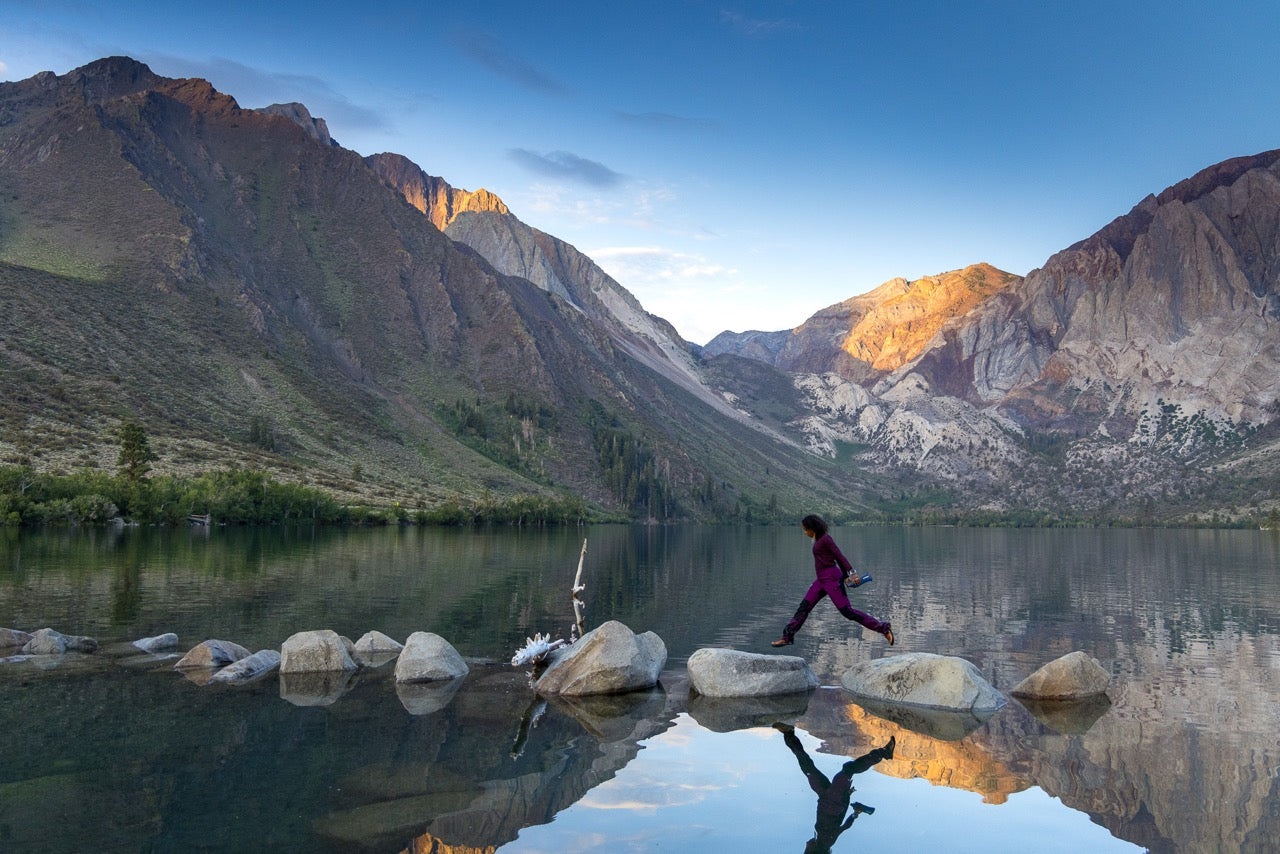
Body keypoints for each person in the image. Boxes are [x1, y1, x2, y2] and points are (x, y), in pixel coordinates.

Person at [771, 514, 894, 647]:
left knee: (847, 612)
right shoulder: (818, 540)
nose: (805, 532)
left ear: (813, 528)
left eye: (806, 529)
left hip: (833, 580)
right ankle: (787, 636)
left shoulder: (825, 539)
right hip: (821, 581)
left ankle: (883, 628)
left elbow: (839, 556)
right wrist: (846, 576)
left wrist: (852, 574)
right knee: (804, 608)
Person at [774, 722, 895, 854]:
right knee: (848, 769)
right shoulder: (825, 842)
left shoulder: (820, 839)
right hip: (833, 799)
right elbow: (843, 826)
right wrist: (848, 802)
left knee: (807, 767)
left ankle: (789, 733)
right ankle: (884, 753)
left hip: (824, 796)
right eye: (806, 850)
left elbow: (843, 827)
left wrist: (854, 813)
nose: (805, 845)